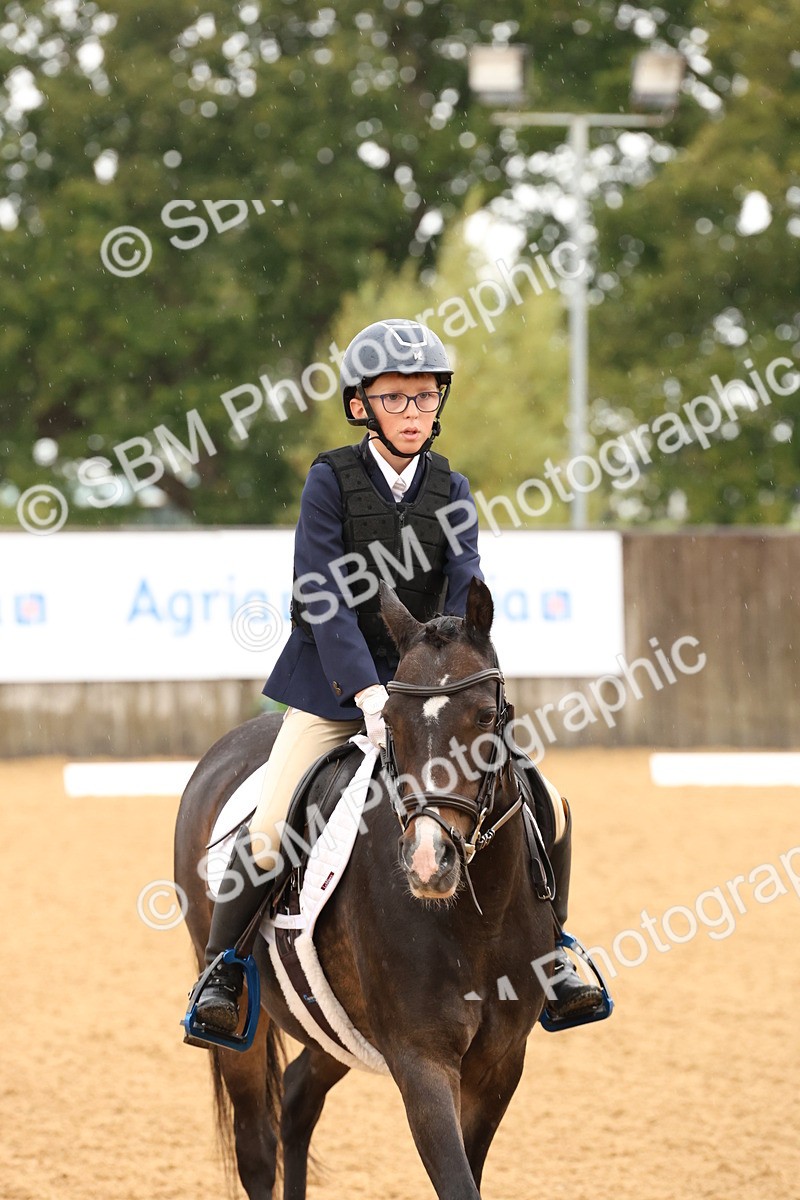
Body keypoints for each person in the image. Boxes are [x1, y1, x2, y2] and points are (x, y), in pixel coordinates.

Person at [187, 318, 603, 1039]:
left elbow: (463, 584)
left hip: (431, 694)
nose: (414, 413)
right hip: (335, 688)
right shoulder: (331, 481)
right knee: (268, 827)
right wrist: (369, 692)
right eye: (396, 399)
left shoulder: (452, 487)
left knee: (551, 803)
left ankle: (557, 950)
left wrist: (436, 682)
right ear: (363, 406)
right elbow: (321, 594)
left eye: (425, 398)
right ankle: (225, 970)